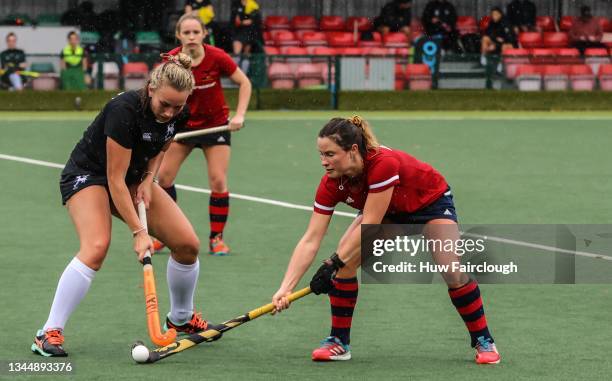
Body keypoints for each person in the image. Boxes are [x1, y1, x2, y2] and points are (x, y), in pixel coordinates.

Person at [31, 53, 221, 357]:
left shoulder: (177, 111)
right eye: (165, 105)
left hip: (133, 176)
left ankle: (181, 319)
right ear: (150, 89)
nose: (170, 113)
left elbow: (164, 142)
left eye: (178, 107)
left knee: (187, 244)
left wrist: (148, 179)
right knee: (96, 246)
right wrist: (138, 232)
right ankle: (48, 332)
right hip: (90, 174)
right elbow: (113, 179)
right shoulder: (124, 110)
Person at [271, 116, 501, 365]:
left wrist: (331, 264)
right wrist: (286, 287)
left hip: (430, 204)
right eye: (321, 154)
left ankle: (483, 340)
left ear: (353, 150)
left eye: (330, 154)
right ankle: (339, 341)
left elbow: (370, 225)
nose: (323, 162)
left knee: (450, 269)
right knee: (345, 264)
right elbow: (310, 239)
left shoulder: (382, 164)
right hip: (388, 212)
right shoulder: (330, 184)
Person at [154, 14, 252, 256]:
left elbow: (244, 83)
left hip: (216, 125)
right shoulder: (172, 61)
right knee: (163, 179)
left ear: (204, 34)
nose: (191, 37)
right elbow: (155, 91)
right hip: (183, 127)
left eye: (195, 32)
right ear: (178, 36)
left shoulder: (217, 57)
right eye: (186, 33)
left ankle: (216, 238)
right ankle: (167, 235)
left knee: (218, 180)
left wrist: (239, 115)